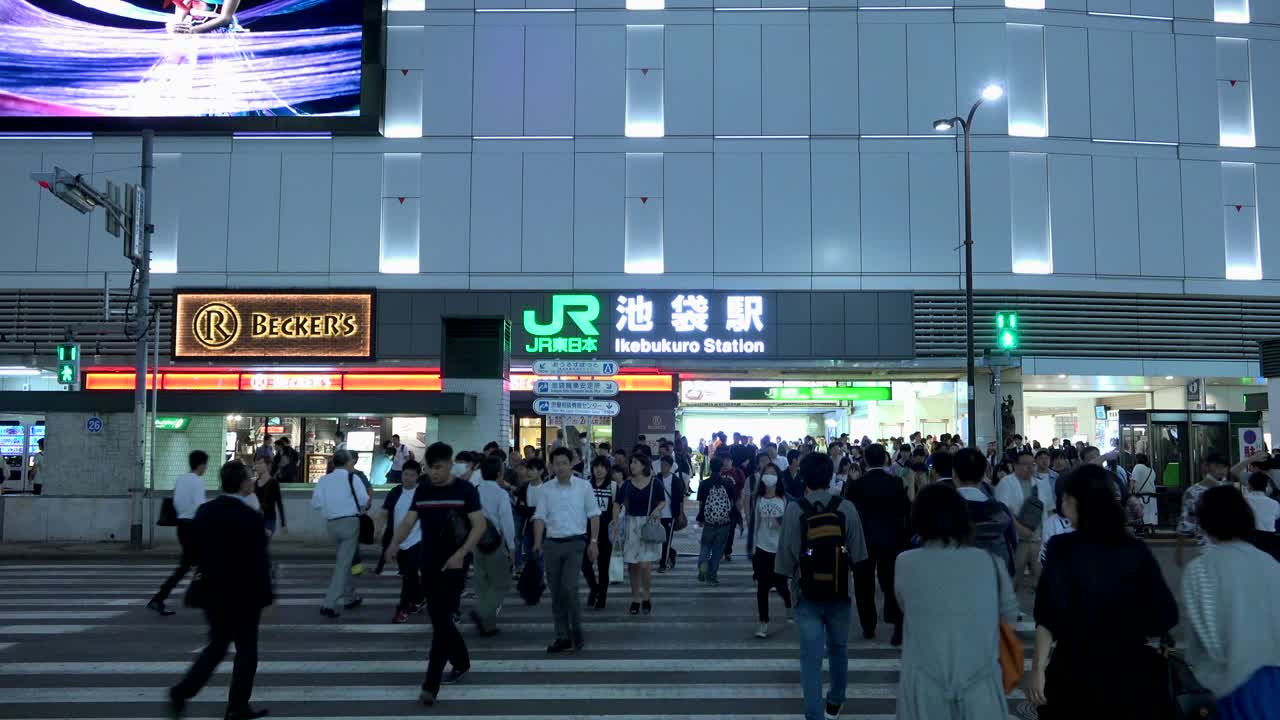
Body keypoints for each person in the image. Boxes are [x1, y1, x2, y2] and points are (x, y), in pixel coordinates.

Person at [1028, 465, 1178, 717]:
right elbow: (1165, 615)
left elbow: (1048, 615)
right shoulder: (1135, 550)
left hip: (1074, 673)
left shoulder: (1063, 548)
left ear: (1074, 501)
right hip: (1131, 675)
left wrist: (1038, 669)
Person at [893, 484, 1018, 720]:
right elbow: (1009, 617)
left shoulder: (905, 563)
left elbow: (906, 605)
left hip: (924, 686)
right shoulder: (990, 562)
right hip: (980, 685)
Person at [167, 460, 273, 720]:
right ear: (242, 483)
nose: (252, 481)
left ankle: (182, 691)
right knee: (247, 651)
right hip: (243, 593)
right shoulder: (250, 517)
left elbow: (196, 549)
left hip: (212, 590)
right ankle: (237, 707)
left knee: (217, 645)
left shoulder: (205, 511)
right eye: (249, 478)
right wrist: (267, 597)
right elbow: (260, 561)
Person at [385, 442, 487, 706]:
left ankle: (430, 685)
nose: (434, 473)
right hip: (428, 564)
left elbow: (479, 525)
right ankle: (462, 661)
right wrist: (394, 543)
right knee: (440, 620)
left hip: (454, 566)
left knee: (441, 625)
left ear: (450, 465)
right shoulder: (424, 490)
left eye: (439, 467)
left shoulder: (465, 490)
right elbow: (409, 520)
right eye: (430, 468)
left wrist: (461, 553)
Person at [775, 452, 869, 720]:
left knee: (811, 657)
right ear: (830, 477)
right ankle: (836, 699)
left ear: (804, 477)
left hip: (807, 593)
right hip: (840, 591)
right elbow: (859, 553)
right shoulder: (846, 507)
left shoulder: (795, 509)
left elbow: (786, 554)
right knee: (839, 648)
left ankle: (814, 714)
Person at [1179, 485, 1280, 701]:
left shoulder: (1200, 570)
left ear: (1204, 522)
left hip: (1228, 691)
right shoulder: (1271, 564)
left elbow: (1199, 643)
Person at [532, 446, 601, 653]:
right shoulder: (546, 489)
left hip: (576, 543)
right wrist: (537, 543)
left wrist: (594, 541)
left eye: (564, 463)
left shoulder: (583, 487)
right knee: (556, 593)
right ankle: (562, 635)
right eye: (556, 463)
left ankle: (577, 630)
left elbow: (594, 514)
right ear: (551, 466)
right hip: (552, 544)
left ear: (571, 464)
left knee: (570, 588)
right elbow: (540, 517)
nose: (560, 467)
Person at [844, 443, 910, 645]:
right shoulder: (896, 483)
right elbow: (904, 511)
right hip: (892, 541)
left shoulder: (856, 485)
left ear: (864, 460)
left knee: (864, 585)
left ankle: (868, 626)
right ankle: (897, 623)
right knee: (891, 583)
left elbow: (850, 516)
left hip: (864, 542)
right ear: (885, 459)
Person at [149, 450, 210, 616]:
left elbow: (176, 502)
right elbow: (200, 506)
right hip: (194, 527)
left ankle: (159, 598)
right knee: (205, 563)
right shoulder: (197, 481)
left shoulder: (181, 479)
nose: (206, 468)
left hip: (181, 527)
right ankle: (205, 598)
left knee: (188, 565)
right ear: (201, 465)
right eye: (205, 465)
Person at [310, 450, 368, 618]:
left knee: (345, 560)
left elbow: (316, 503)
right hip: (350, 523)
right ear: (348, 463)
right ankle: (329, 604)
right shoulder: (353, 478)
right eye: (351, 461)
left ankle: (350, 597)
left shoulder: (324, 480)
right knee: (343, 564)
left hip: (331, 525)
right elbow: (364, 500)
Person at [612, 455, 667, 615]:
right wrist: (615, 522)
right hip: (630, 525)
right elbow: (617, 503)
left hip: (647, 526)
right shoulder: (627, 484)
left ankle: (646, 596)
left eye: (635, 462)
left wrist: (657, 509)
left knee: (645, 565)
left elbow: (662, 501)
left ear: (644, 465)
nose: (631, 465)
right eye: (631, 462)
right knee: (633, 566)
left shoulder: (654, 482)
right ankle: (635, 598)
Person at [950, 449, 1016, 577]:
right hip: (993, 583)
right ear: (983, 476)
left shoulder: (942, 510)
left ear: (954, 474)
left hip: (954, 582)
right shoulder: (1001, 511)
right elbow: (1012, 546)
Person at [472, 455, 515, 636]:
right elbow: (507, 522)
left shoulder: (474, 491)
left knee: (482, 584)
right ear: (499, 474)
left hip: (475, 542)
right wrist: (511, 547)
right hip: (494, 543)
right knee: (500, 584)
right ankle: (482, 614)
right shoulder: (501, 494)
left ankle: (488, 625)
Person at [378, 459, 424, 624]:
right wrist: (380, 529)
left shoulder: (422, 493)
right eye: (405, 474)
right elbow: (384, 511)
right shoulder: (395, 492)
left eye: (412, 475)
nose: (408, 478)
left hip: (418, 541)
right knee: (409, 575)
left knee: (408, 576)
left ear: (418, 476)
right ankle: (419, 598)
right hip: (399, 541)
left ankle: (402, 609)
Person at [751, 462, 792, 638]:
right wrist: (753, 547)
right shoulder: (759, 499)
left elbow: (790, 523)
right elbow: (756, 523)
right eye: (766, 472)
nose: (769, 475)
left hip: (779, 550)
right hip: (762, 548)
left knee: (781, 585)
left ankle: (789, 605)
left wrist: (780, 522)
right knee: (762, 587)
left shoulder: (784, 499)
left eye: (772, 473)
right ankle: (763, 622)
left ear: (778, 477)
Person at [697, 457, 739, 585]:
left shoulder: (704, 484)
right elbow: (733, 502)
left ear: (710, 467)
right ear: (721, 468)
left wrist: (701, 518)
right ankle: (712, 576)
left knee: (705, 546)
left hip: (709, 521)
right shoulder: (728, 483)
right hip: (724, 522)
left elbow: (701, 503)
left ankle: (703, 565)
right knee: (717, 550)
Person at [1178, 452, 1225, 566]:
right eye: (1217, 466)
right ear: (1206, 466)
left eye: (1222, 466)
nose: (1220, 470)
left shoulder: (1192, 492)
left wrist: (1179, 551)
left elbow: (1186, 525)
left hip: (1206, 548)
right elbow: (1186, 523)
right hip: (1225, 548)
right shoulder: (1228, 490)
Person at [584, 457, 616, 610]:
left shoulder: (613, 486)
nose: (599, 469)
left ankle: (602, 596)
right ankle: (594, 588)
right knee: (585, 564)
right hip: (586, 532)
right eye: (596, 466)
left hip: (606, 533)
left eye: (603, 466)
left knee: (603, 568)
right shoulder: (585, 486)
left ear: (608, 469)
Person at [656, 454, 687, 573]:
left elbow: (679, 499)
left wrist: (679, 514)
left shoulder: (675, 480)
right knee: (659, 539)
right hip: (657, 514)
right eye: (661, 464)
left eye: (665, 465)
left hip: (670, 515)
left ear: (670, 466)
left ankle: (663, 564)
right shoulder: (657, 478)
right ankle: (672, 553)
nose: (663, 467)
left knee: (667, 539)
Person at [255, 453, 286, 539]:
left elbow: (279, 503)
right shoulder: (255, 483)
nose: (257, 466)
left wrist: (283, 523)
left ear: (268, 465)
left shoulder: (273, 483)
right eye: (256, 464)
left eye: (260, 463)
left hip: (269, 520)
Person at [1129, 453, 1158, 530]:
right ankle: (1150, 529)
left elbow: (1133, 481)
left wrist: (1129, 492)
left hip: (1141, 496)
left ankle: (1139, 529)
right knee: (1150, 516)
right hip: (1152, 496)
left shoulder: (1137, 467)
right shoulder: (1151, 469)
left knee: (1141, 514)